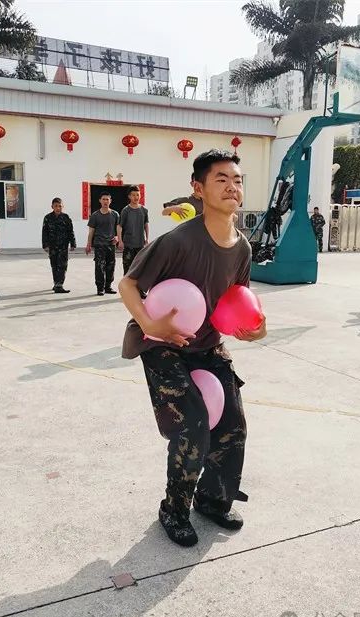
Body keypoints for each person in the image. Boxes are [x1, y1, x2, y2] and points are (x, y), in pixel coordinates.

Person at [119, 149, 266, 547]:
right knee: (194, 425)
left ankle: (212, 500)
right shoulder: (177, 241)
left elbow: (236, 301)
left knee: (233, 425)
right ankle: (174, 509)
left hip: (207, 343)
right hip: (162, 343)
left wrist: (255, 328)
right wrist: (149, 323)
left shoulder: (242, 248)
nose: (232, 186)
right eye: (221, 179)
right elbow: (128, 284)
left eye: (237, 180)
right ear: (198, 189)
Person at [86, 193, 119, 296]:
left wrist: (117, 237)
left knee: (111, 266)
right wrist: (88, 244)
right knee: (100, 266)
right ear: (100, 200)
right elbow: (91, 231)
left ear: (110, 201)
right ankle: (100, 288)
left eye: (107, 199)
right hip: (99, 244)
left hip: (111, 245)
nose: (105, 201)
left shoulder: (115, 214)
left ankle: (108, 286)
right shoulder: (95, 215)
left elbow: (119, 228)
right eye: (103, 199)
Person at [42, 197, 76, 293]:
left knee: (62, 265)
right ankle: (56, 283)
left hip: (63, 246)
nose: (58, 208)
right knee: (54, 265)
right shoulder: (47, 218)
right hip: (52, 246)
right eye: (56, 206)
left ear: (62, 206)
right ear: (52, 206)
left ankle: (59, 285)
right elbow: (44, 232)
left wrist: (73, 243)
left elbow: (70, 231)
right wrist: (45, 245)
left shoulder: (66, 217)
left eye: (60, 206)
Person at [117, 185, 149, 275]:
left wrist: (147, 239)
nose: (136, 197)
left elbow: (146, 225)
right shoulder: (125, 210)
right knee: (127, 270)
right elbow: (119, 226)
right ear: (129, 196)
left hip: (140, 245)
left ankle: (138, 285)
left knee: (140, 270)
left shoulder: (144, 210)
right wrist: (120, 241)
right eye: (133, 195)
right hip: (128, 245)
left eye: (138, 195)